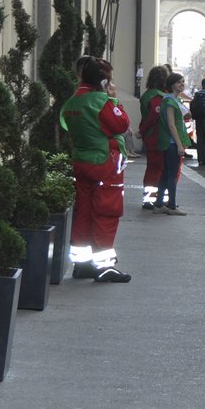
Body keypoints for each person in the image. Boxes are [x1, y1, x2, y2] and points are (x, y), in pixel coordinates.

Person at [58, 57, 132, 283]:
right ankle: (105, 267)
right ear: (103, 81)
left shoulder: (71, 102)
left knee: (84, 213)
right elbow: (122, 125)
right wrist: (114, 100)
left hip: (82, 160)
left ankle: (81, 265)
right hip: (104, 163)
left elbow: (64, 124)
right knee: (106, 213)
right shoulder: (102, 101)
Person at [152, 72, 191, 215]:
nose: (182, 84)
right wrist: (179, 144)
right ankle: (172, 206)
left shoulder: (173, 100)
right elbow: (171, 125)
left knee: (165, 174)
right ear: (172, 85)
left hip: (170, 143)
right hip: (172, 143)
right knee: (171, 175)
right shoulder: (169, 101)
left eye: (182, 81)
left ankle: (159, 204)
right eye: (179, 82)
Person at [139, 65, 170, 209]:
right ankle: (154, 199)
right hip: (158, 136)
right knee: (158, 169)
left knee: (152, 168)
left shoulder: (147, 94)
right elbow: (154, 116)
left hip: (150, 136)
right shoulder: (159, 96)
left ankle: (150, 198)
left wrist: (142, 130)